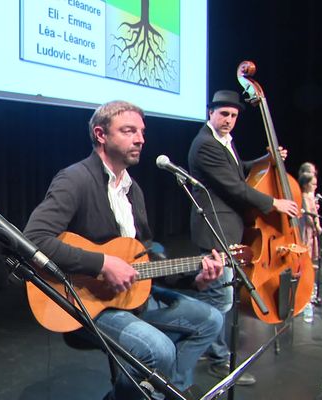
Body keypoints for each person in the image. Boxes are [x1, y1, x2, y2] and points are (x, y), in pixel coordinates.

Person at [23, 100, 224, 399]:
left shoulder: (133, 190)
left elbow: (145, 259)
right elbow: (34, 239)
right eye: (129, 131)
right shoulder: (75, 179)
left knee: (212, 320)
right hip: (83, 301)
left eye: (142, 131)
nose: (141, 138)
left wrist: (194, 279)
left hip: (131, 295)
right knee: (160, 350)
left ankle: (167, 393)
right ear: (101, 134)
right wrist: (103, 263)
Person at [185, 90, 299, 385]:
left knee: (213, 293)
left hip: (226, 227)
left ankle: (202, 341)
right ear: (210, 112)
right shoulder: (206, 144)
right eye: (224, 114)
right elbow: (235, 187)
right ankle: (219, 359)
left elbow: (240, 170)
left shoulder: (224, 142)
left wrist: (266, 158)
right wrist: (274, 203)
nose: (229, 120)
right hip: (216, 229)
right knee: (221, 296)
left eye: (234, 115)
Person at [298, 172, 322, 266]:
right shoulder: (304, 196)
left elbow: (315, 212)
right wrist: (315, 226)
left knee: (311, 242)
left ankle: (309, 262)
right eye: (313, 184)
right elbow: (308, 214)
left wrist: (318, 224)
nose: (315, 186)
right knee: (306, 242)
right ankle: (304, 263)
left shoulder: (311, 196)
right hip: (307, 225)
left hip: (312, 224)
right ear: (305, 185)